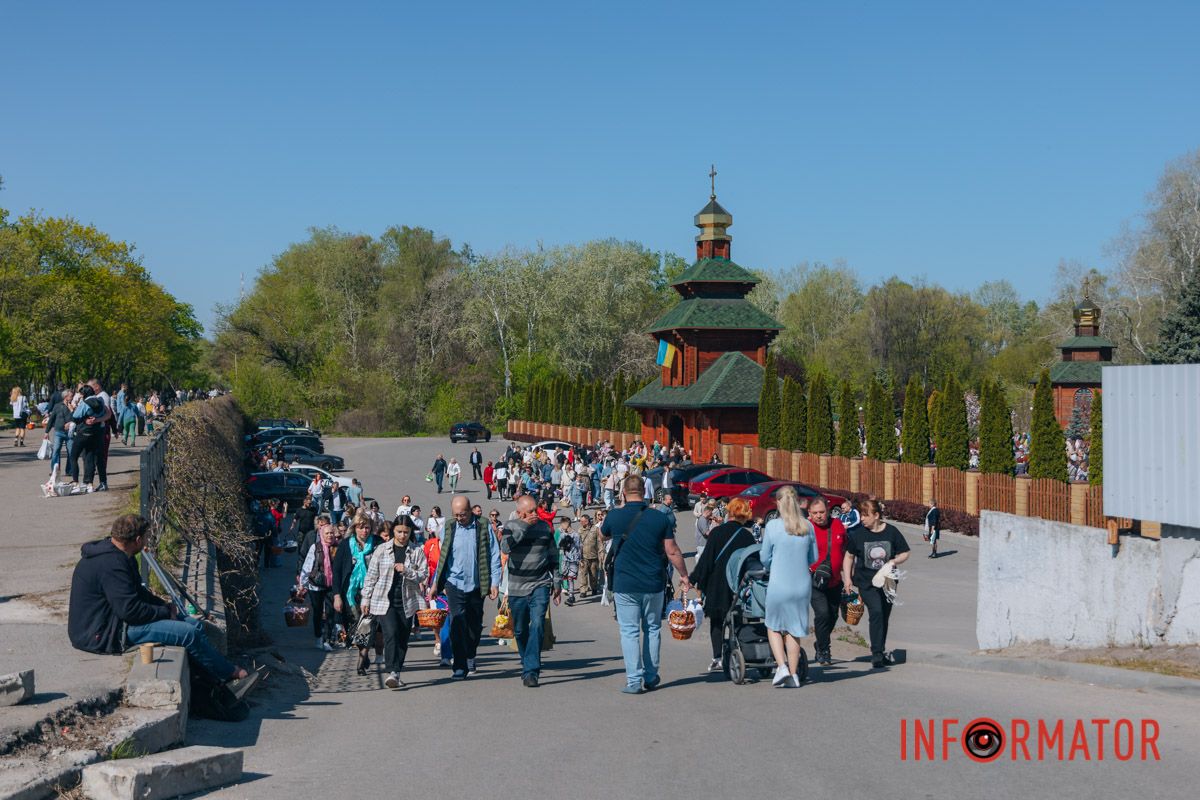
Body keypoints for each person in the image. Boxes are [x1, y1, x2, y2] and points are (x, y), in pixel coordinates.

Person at [68, 514, 246, 683]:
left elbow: (138, 593)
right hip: (103, 633)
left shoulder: (121, 555)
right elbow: (130, 611)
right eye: (145, 537)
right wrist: (163, 613)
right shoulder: (112, 564)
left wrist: (165, 606)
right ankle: (228, 674)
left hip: (115, 621)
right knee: (188, 634)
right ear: (137, 540)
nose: (146, 541)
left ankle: (207, 678)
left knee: (195, 624)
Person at [602, 475, 690, 694]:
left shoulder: (615, 516)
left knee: (630, 631)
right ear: (646, 493)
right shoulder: (660, 518)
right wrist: (684, 575)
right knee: (652, 628)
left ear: (623, 492)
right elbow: (672, 551)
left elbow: (602, 535)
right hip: (653, 581)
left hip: (625, 582)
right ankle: (651, 675)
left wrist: (620, 509)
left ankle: (634, 680)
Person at [429, 496, 501, 679]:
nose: (459, 518)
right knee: (457, 622)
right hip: (454, 583)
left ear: (471, 511)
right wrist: (435, 584)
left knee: (474, 625)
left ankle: (470, 655)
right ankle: (459, 665)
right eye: (456, 515)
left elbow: (494, 554)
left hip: (477, 584)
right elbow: (443, 557)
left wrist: (494, 582)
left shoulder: (483, 526)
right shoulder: (449, 527)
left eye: (463, 514)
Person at [688, 496, 756, 672]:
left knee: (717, 623)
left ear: (729, 512)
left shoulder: (717, 532)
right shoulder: (747, 537)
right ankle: (737, 652)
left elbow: (706, 561)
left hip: (717, 587)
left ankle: (717, 657)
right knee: (738, 621)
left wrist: (693, 579)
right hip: (739, 588)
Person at [760, 486, 819, 688]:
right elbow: (814, 558)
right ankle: (793, 675)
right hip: (802, 585)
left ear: (778, 503)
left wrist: (773, 563)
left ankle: (782, 666)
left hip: (779, 583)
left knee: (774, 625)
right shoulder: (807, 526)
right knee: (795, 629)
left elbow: (764, 557)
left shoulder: (773, 526)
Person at [842, 498, 910, 668]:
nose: (862, 519)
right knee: (877, 612)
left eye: (865, 515)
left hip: (888, 582)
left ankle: (880, 649)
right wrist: (848, 579)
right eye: (862, 515)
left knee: (884, 616)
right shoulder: (858, 534)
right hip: (866, 582)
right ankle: (877, 654)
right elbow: (849, 556)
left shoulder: (892, 532)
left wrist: (893, 562)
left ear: (877, 515)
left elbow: (905, 552)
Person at [501, 496, 562, 687]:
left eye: (536, 510)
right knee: (519, 630)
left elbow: (553, 556)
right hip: (517, 586)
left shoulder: (545, 528)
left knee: (537, 624)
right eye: (530, 512)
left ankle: (531, 671)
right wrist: (524, 526)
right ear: (520, 513)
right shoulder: (511, 526)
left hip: (540, 583)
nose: (535, 514)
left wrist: (557, 583)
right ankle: (527, 660)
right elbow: (506, 547)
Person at [361, 515, 428, 688]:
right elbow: (371, 576)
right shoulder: (382, 550)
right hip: (384, 600)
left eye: (406, 532)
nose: (402, 536)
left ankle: (396, 672)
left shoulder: (417, 551)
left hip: (407, 601)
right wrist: (366, 598)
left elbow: (423, 575)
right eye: (399, 532)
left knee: (402, 638)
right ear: (393, 531)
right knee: (390, 633)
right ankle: (391, 671)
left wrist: (406, 571)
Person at [333, 513, 381, 674]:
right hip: (350, 594)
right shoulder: (346, 545)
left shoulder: (377, 543)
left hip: (372, 592)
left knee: (368, 625)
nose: (364, 531)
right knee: (354, 628)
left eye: (367, 527)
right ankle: (364, 653)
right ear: (354, 528)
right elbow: (337, 571)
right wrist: (337, 595)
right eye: (361, 527)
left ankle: (362, 659)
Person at [807, 496, 847, 666]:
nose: (819, 516)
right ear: (809, 514)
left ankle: (820, 641)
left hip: (835, 580)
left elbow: (847, 552)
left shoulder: (838, 525)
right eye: (815, 513)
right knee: (822, 613)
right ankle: (824, 650)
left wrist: (848, 577)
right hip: (814, 580)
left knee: (832, 615)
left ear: (828, 511)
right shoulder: (807, 528)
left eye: (822, 512)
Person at [299, 520, 339, 651]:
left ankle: (327, 640)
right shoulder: (315, 547)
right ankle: (318, 636)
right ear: (322, 534)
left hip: (331, 585)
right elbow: (308, 565)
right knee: (317, 612)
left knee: (330, 612)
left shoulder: (338, 547)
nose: (330, 536)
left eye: (332, 533)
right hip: (315, 584)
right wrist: (302, 584)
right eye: (327, 533)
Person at [578, 515, 601, 597]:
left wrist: (600, 553)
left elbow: (599, 541)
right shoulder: (580, 530)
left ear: (587, 521)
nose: (581, 522)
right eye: (580, 521)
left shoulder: (595, 529)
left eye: (582, 521)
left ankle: (594, 588)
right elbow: (577, 544)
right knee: (583, 574)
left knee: (593, 574)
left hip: (593, 556)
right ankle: (583, 590)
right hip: (583, 557)